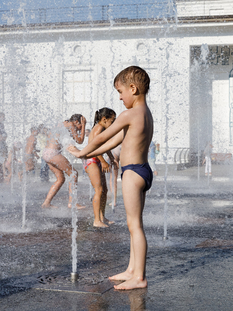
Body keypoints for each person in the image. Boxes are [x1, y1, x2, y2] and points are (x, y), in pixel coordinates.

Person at [69, 66, 153, 290]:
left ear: (133, 88)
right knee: (134, 224)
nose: (120, 97)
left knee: (134, 225)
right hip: (142, 170)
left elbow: (102, 137)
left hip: (133, 173)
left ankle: (140, 277)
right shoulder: (145, 114)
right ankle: (132, 270)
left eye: (121, 91)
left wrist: (81, 152)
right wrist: (88, 153)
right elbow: (113, 142)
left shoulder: (129, 114)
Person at [41, 114, 87, 209]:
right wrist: (84, 125)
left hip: (46, 153)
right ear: (76, 122)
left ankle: (46, 203)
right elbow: (79, 140)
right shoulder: (70, 124)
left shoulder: (61, 124)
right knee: (73, 173)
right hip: (53, 153)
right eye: (80, 126)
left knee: (60, 179)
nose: (79, 129)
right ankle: (72, 203)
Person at [84, 108, 117, 228]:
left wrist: (111, 158)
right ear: (104, 119)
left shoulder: (101, 128)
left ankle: (102, 217)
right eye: (112, 121)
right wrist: (103, 161)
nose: (113, 123)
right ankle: (96, 220)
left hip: (96, 160)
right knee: (98, 190)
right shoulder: (99, 128)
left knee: (104, 191)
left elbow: (103, 146)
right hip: (92, 161)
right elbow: (94, 147)